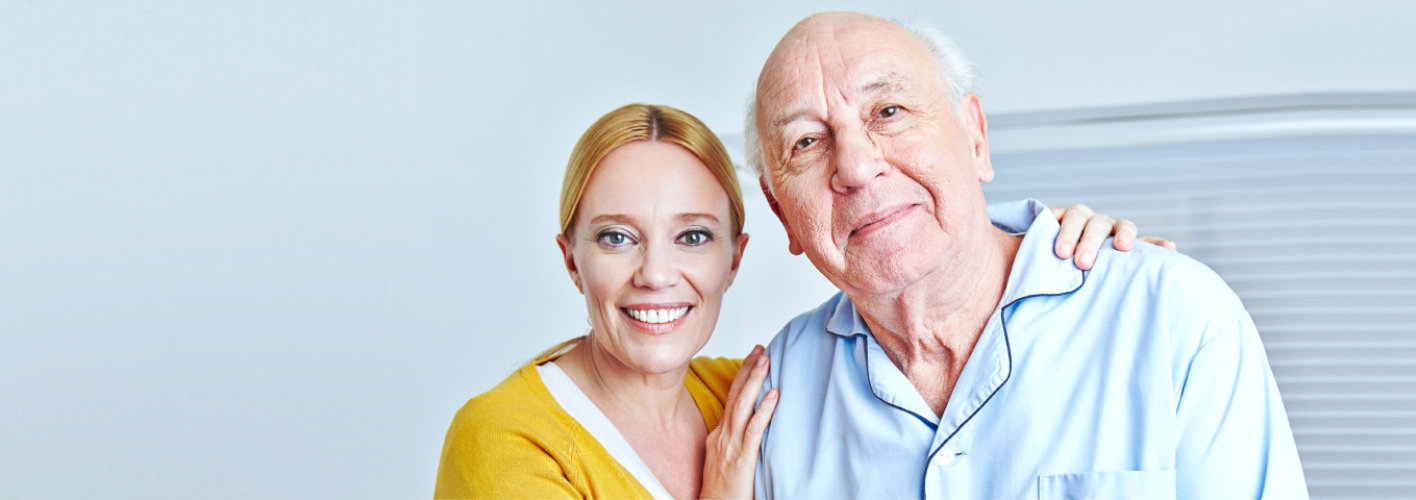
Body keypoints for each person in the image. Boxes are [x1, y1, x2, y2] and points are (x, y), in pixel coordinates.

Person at [434, 103, 1161, 499]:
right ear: (571, 259)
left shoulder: (757, 389)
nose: (657, 274)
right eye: (617, 238)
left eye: (692, 237)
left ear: (735, 258)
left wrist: (1075, 259)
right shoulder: (504, 439)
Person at [746, 12, 1309, 499]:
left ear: (975, 139)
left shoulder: (1175, 318)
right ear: (780, 213)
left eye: (888, 111)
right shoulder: (776, 391)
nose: (857, 166)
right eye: (807, 143)